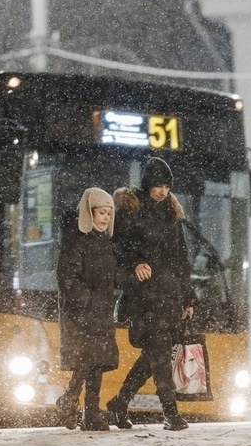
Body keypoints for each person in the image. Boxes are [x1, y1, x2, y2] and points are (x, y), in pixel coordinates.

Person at [107, 157, 195, 431]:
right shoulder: (131, 211)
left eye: (167, 186)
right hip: (144, 296)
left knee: (155, 355)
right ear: (148, 184)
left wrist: (188, 297)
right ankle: (170, 413)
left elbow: (181, 259)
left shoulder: (171, 214)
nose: (163, 192)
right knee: (158, 353)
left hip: (169, 295)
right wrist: (135, 263)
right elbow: (118, 248)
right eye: (158, 185)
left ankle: (119, 403)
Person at [55, 187, 119, 431]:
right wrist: (89, 301)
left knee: (98, 361)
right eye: (102, 213)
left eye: (109, 214)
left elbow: (111, 276)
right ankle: (72, 401)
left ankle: (89, 410)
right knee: (88, 358)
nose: (106, 218)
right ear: (88, 213)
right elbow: (67, 278)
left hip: (101, 311)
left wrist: (136, 273)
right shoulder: (76, 239)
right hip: (80, 313)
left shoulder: (104, 242)